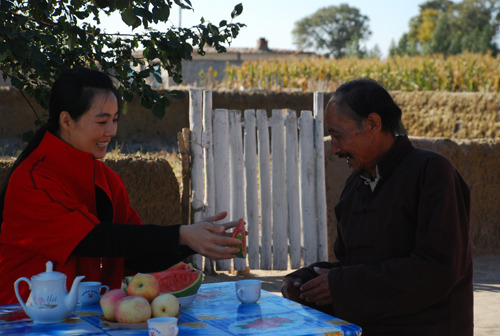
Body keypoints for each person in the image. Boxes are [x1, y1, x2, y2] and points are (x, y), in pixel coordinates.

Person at [0, 68, 242, 304]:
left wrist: (194, 240)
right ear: (66, 120)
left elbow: (134, 253)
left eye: (115, 120)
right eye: (102, 121)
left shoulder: (107, 179)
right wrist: (179, 234)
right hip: (23, 317)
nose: (112, 131)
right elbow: (92, 239)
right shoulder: (32, 180)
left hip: (86, 317)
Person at [281, 78, 473, 336]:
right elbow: (354, 266)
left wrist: (341, 285)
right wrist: (306, 281)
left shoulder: (432, 172)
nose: (335, 149)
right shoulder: (355, 187)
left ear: (372, 124)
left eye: (337, 135)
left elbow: (438, 270)